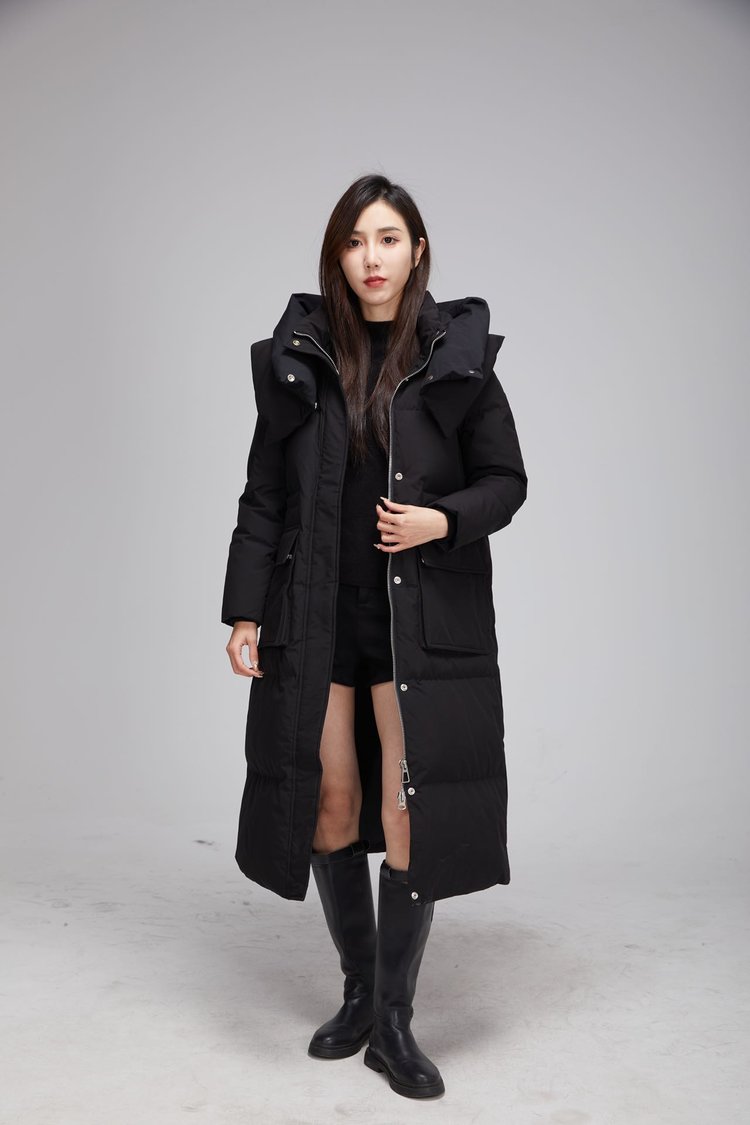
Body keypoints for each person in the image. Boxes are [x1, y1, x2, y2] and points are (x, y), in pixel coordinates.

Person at [222, 173, 528, 1100]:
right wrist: (245, 611)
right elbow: (263, 497)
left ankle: (395, 1020)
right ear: (338, 256)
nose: (372, 258)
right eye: (355, 242)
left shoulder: (457, 360)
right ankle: (358, 990)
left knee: (406, 806)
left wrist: (443, 521)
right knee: (329, 801)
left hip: (415, 618)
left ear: (417, 250)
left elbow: (507, 481)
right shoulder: (300, 357)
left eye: (388, 238)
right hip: (318, 613)